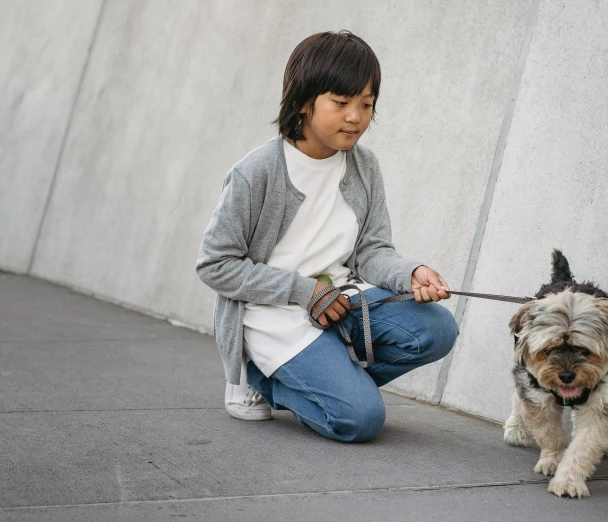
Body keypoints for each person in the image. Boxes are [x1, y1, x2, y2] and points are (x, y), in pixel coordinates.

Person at [196, 30, 458, 442]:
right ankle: (261, 378)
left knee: (438, 329)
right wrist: (304, 292)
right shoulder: (258, 172)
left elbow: (372, 252)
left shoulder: (364, 167)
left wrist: (411, 274)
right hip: (274, 314)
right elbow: (215, 264)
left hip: (342, 302)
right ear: (303, 101)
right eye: (341, 103)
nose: (355, 116)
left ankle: (329, 380)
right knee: (360, 420)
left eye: (366, 104)